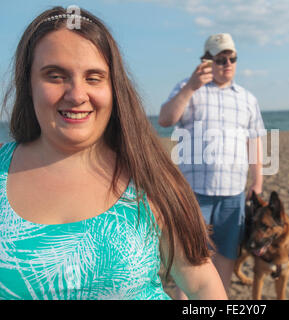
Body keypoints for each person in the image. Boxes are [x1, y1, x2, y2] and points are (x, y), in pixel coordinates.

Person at [0, 6, 227, 300]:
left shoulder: (150, 177)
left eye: (94, 77)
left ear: (113, 87)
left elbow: (201, 286)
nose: (77, 94)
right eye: (55, 76)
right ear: (28, 84)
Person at [159, 33, 266, 298]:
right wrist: (190, 88)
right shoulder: (188, 88)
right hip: (195, 192)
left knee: (227, 256)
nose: (227, 63)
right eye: (220, 59)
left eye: (232, 58)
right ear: (207, 61)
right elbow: (165, 119)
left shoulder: (247, 98)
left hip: (232, 194)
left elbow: (255, 140)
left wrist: (258, 180)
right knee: (190, 259)